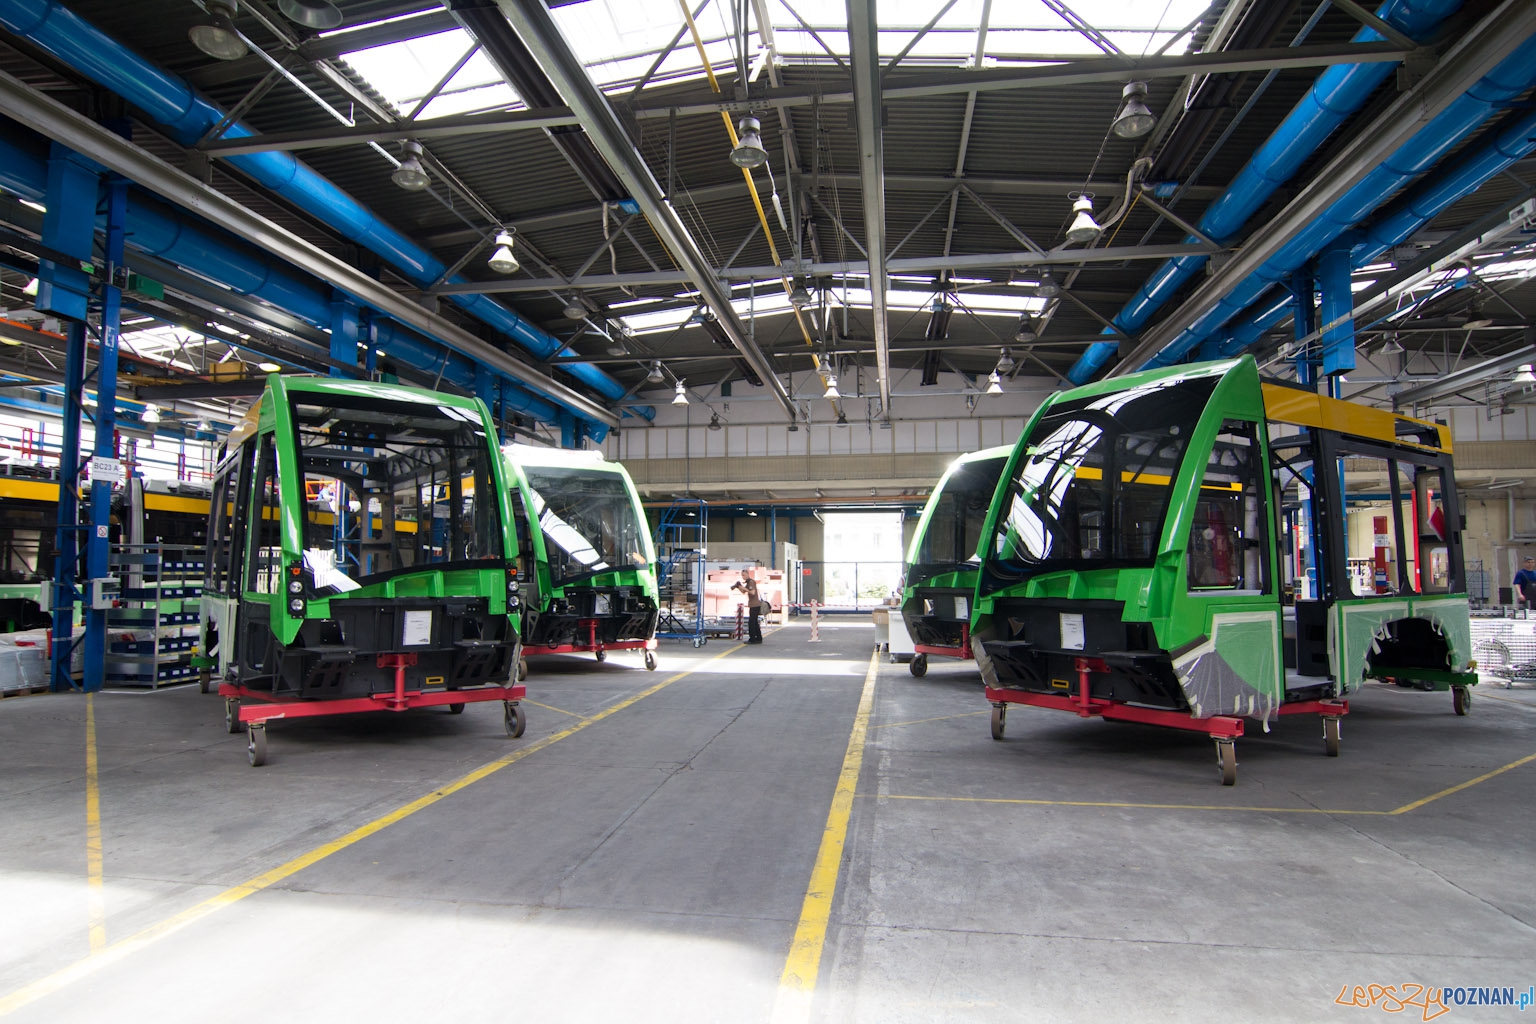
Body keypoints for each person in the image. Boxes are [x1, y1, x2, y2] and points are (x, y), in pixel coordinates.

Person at [731, 570, 762, 643]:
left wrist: (743, 587)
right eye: (742, 575)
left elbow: (752, 592)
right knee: (755, 622)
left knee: (751, 622)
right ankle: (758, 638)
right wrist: (738, 587)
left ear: (748, 574)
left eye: (744, 575)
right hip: (753, 605)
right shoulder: (748, 583)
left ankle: (752, 639)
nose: (743, 577)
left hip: (755, 605)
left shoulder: (751, 582)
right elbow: (744, 592)